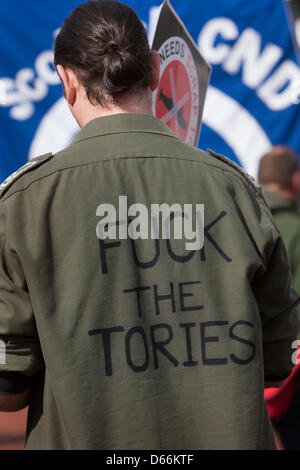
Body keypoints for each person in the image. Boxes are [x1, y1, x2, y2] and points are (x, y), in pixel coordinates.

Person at [0, 0, 298, 450]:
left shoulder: (23, 203)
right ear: (156, 69)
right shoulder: (237, 190)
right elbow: (277, 361)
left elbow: (9, 386)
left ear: (66, 80)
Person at [258, 146, 300, 450]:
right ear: (295, 181)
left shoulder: (235, 223)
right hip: (291, 374)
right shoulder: (296, 229)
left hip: (243, 366)